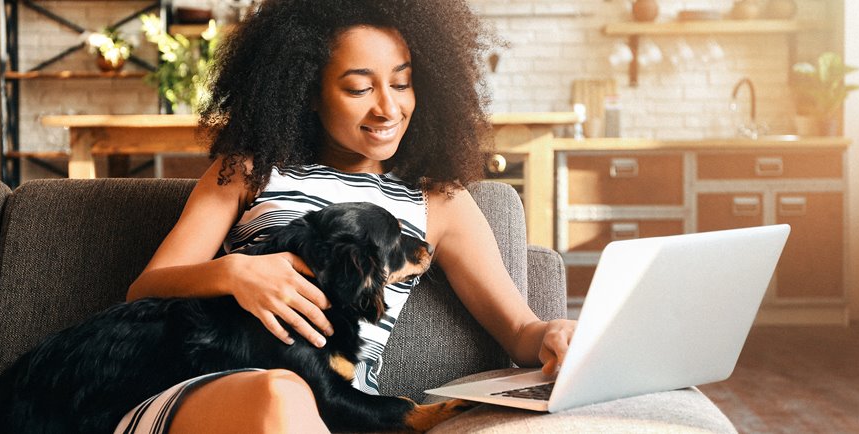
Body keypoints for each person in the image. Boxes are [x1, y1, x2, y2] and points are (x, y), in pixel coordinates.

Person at [120, 0, 577, 432]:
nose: (388, 108)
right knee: (280, 392)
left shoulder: (440, 202)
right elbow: (146, 288)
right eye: (359, 87)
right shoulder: (248, 171)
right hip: (205, 393)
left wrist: (555, 333)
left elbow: (518, 331)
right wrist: (235, 272)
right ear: (309, 93)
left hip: (338, 407)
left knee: (290, 396)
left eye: (402, 83)